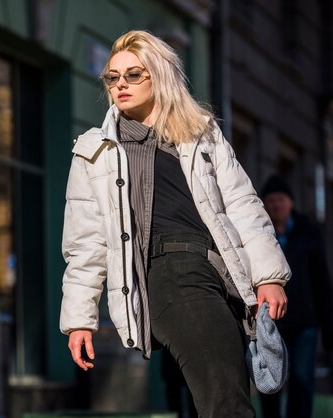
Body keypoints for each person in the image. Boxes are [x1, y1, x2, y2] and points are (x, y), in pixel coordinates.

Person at [59, 30, 291, 418]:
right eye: (112, 78)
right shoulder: (93, 151)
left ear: (159, 75)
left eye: (133, 74)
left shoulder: (201, 132)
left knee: (226, 395)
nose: (120, 84)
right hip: (168, 274)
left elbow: (241, 205)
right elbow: (86, 242)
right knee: (226, 402)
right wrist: (79, 320)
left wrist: (269, 276)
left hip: (221, 274)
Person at [260, 175, 333, 418]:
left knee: (302, 381)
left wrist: (327, 325)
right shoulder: (259, 233)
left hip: (304, 322)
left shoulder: (308, 231)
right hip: (271, 322)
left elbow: (321, 280)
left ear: (290, 202)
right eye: (270, 200)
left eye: (280, 199)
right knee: (271, 383)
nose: (276, 205)